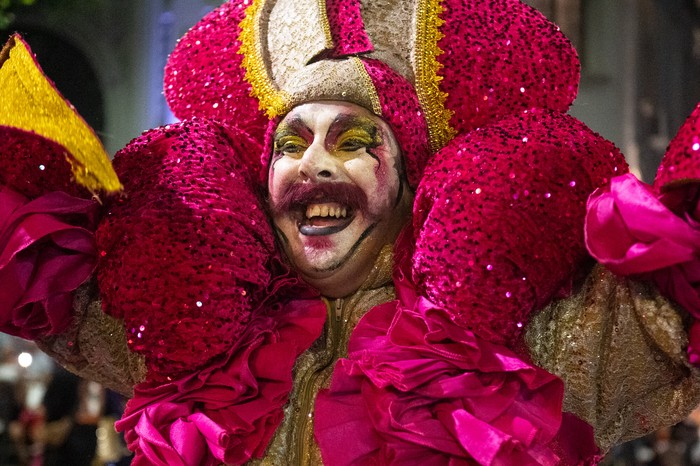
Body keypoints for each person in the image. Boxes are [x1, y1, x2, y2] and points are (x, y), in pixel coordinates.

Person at [1, 0, 700, 464]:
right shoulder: (202, 350)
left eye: (355, 139)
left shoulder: (534, 347)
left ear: (412, 177)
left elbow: (670, 317)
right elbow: (35, 273)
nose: (314, 165)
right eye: (290, 144)